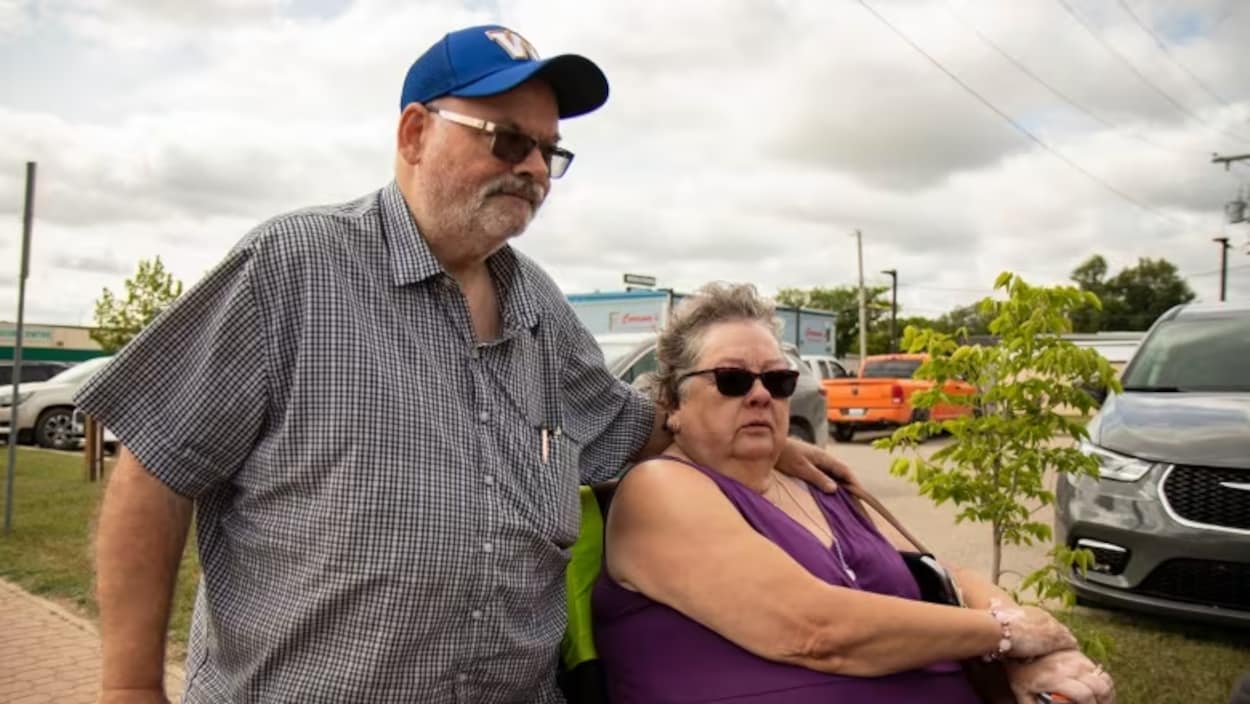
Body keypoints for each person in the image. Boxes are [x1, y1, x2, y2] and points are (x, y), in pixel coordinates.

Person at [78, 26, 856, 704]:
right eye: (507, 139)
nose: (535, 170)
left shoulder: (541, 310)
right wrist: (129, 687)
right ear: (415, 133)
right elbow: (156, 468)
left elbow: (637, 432)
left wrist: (758, 426)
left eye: (550, 150)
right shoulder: (293, 266)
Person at [593, 282, 1116, 704]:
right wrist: (1007, 633)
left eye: (777, 381)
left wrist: (1034, 651)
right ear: (671, 403)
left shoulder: (816, 482)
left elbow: (943, 577)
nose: (758, 395)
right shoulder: (660, 488)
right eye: (731, 380)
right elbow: (814, 629)